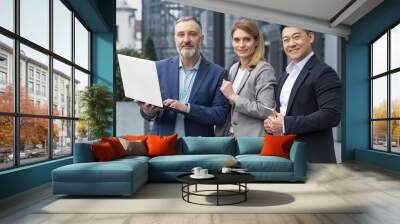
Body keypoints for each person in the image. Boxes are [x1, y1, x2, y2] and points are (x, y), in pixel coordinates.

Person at [137, 17, 229, 137]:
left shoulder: (218, 73)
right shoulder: (158, 68)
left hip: (199, 148)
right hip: (162, 146)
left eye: (192, 34)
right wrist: (147, 111)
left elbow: (219, 115)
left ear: (201, 39)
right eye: (181, 35)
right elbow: (147, 115)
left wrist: (187, 108)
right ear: (174, 39)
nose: (186, 40)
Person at [264, 26, 341, 163]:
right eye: (286, 40)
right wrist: (273, 123)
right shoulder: (284, 76)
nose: (291, 43)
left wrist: (285, 123)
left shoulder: (324, 73)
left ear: (310, 37)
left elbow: (331, 115)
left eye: (296, 37)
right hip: (286, 157)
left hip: (313, 160)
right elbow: (284, 113)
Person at [216, 18, 276, 137]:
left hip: (251, 140)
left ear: (256, 41)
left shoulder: (264, 69)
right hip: (230, 137)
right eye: (237, 40)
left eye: (247, 39)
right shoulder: (234, 68)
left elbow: (267, 110)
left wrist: (234, 97)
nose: (241, 45)